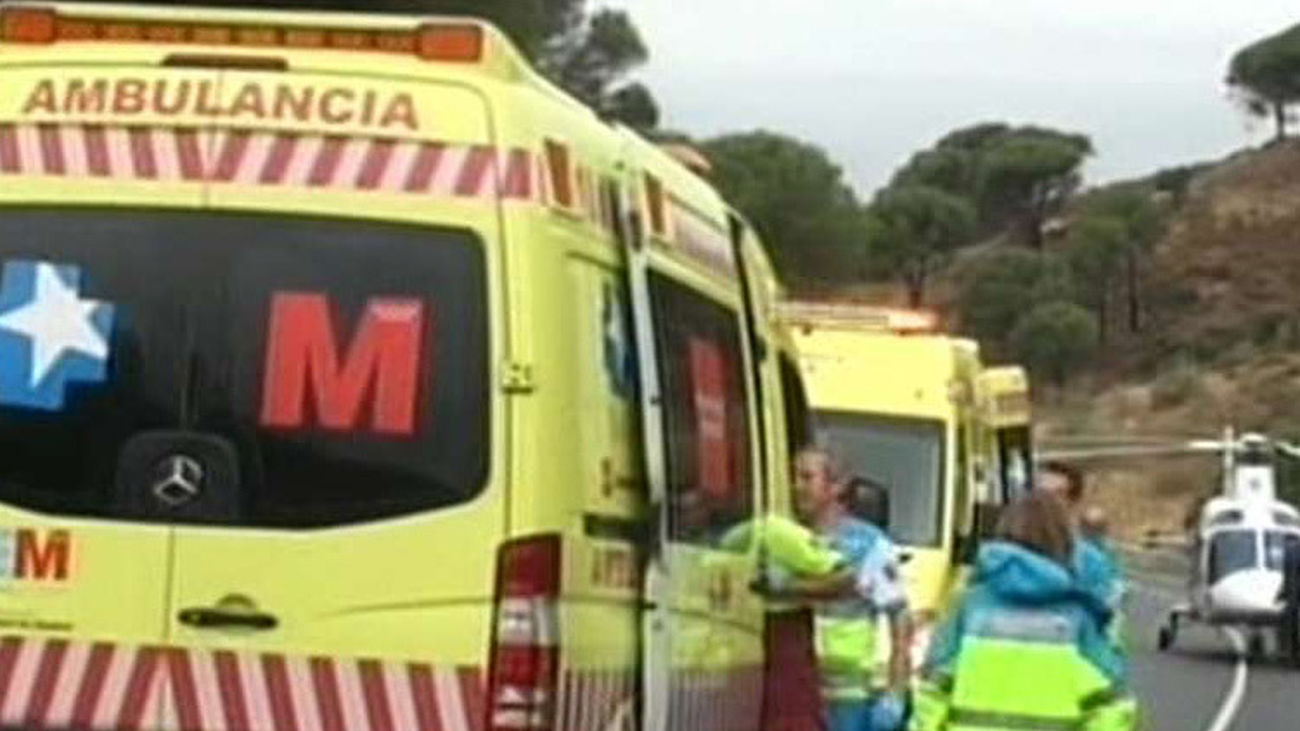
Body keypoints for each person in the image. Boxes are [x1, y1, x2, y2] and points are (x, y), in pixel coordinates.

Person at [911, 492, 1138, 731]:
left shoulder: (969, 605)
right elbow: (1111, 706)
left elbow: (933, 691)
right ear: (1064, 540)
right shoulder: (1079, 615)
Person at [794, 448, 912, 731]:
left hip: (849, 702)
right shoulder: (788, 539)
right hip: (796, 692)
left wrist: (895, 694)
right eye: (793, 477)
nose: (795, 486)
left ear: (836, 486)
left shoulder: (868, 546)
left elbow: (900, 620)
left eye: (806, 477)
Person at [1037, 461, 1126, 629]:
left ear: (1072, 503)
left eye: (1057, 495)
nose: (1044, 502)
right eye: (1039, 493)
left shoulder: (1093, 561)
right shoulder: (1001, 557)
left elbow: (1108, 619)